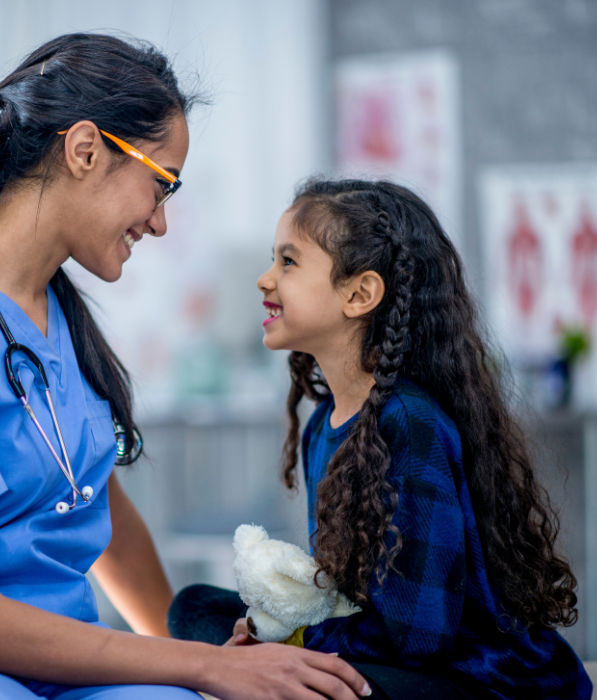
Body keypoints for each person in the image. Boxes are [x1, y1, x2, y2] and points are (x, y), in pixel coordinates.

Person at [0, 35, 372, 700]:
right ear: (85, 150)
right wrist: (206, 665)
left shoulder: (61, 321)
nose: (159, 223)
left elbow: (101, 513)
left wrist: (206, 669)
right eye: (160, 186)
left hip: (47, 656)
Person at [168, 179, 594, 700]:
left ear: (360, 294)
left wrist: (294, 642)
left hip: (474, 678)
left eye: (288, 262)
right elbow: (344, 597)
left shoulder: (409, 424)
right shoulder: (324, 424)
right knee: (193, 609)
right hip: (389, 651)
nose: (264, 279)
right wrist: (273, 632)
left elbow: (419, 638)